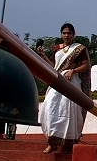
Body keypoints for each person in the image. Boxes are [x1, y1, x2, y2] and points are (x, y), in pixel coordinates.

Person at [36, 23, 92, 153]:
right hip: (58, 81)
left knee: (69, 111)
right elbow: (55, 66)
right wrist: (43, 55)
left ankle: (69, 142)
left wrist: (73, 71)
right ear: (61, 34)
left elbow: (86, 65)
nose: (66, 35)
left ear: (73, 34)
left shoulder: (79, 49)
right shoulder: (57, 48)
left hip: (72, 82)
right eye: (64, 33)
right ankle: (52, 142)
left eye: (69, 33)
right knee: (50, 107)